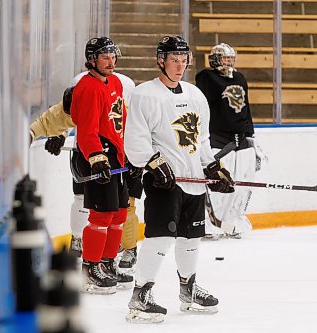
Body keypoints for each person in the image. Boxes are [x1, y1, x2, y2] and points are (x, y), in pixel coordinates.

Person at [124, 35, 234, 323]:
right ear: (160, 60)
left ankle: (189, 289)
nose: (180, 66)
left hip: (193, 180)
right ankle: (141, 294)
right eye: (174, 60)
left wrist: (212, 167)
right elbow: (135, 138)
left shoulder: (195, 95)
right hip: (164, 182)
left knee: (192, 238)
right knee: (160, 238)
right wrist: (152, 162)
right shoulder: (145, 94)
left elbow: (202, 141)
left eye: (184, 60)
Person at [29, 71, 142, 270]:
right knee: (85, 199)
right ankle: (81, 241)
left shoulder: (123, 88)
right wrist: (60, 134)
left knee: (124, 205)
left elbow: (137, 124)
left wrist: (140, 153)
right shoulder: (80, 85)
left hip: (121, 151)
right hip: (89, 151)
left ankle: (127, 247)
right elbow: (60, 116)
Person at [70, 36, 135, 294]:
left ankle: (108, 263)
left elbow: (122, 120)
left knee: (119, 213)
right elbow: (86, 130)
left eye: (112, 56)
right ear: (92, 60)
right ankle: (91, 267)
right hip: (98, 157)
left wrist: (129, 151)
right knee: (101, 216)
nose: (110, 61)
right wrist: (97, 158)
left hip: (116, 155)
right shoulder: (87, 87)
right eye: (104, 57)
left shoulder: (116, 82)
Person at [195, 43, 265, 239]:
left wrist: (251, 135)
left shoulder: (240, 78)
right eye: (225, 59)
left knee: (242, 181)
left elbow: (246, 108)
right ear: (215, 60)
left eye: (231, 59)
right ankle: (211, 223)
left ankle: (234, 220)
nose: (229, 63)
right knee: (220, 181)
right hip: (217, 136)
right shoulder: (206, 77)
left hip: (240, 137)